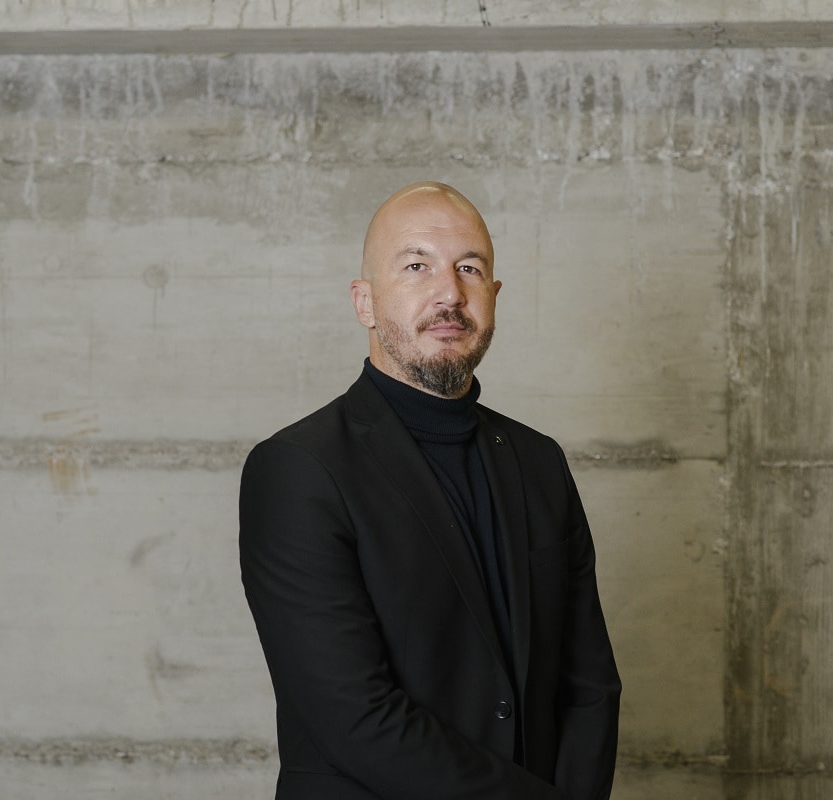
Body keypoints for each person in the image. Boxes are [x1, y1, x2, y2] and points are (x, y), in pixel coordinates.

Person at [239, 182, 621, 799]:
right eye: (417, 266)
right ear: (364, 302)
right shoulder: (298, 470)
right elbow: (355, 718)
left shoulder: (540, 462)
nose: (450, 293)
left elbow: (589, 685)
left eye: (470, 269)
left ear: (494, 295)